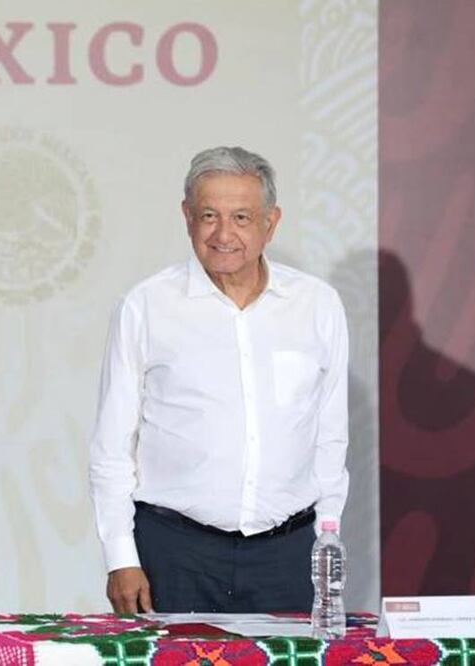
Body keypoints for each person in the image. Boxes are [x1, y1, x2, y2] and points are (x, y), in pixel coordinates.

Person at [89, 146, 349, 614]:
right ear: (187, 217)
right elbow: (111, 446)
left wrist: (326, 538)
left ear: (271, 222)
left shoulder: (317, 305)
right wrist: (120, 558)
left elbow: (330, 435)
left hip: (288, 554)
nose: (223, 234)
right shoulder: (146, 306)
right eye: (209, 215)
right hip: (174, 552)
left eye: (242, 218)